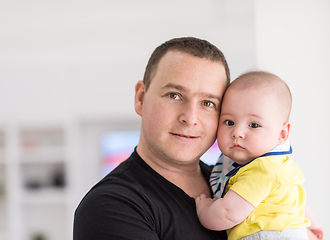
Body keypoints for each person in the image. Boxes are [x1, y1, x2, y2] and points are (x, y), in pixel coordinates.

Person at [73, 37, 230, 239]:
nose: (190, 119)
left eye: (208, 103)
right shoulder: (111, 206)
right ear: (141, 98)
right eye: (174, 95)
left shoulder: (231, 185)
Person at [195, 71, 324, 240]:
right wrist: (313, 224)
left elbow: (228, 213)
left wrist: (204, 210)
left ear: (282, 134)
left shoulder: (262, 169)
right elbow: (297, 201)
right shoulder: (282, 165)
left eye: (254, 125)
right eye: (229, 122)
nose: (237, 132)